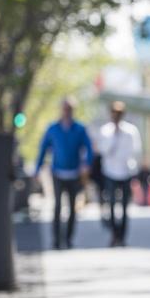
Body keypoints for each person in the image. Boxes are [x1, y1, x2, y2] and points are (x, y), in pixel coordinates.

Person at [35, 97, 93, 250]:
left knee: (73, 208)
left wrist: (86, 164)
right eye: (65, 109)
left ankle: (68, 239)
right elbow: (43, 149)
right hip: (57, 173)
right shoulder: (53, 129)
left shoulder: (80, 129)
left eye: (70, 109)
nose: (67, 112)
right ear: (61, 110)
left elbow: (88, 148)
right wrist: (37, 168)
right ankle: (56, 240)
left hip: (74, 173)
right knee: (57, 206)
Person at [97, 101, 142, 247]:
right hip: (110, 172)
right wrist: (114, 136)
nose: (116, 117)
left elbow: (135, 151)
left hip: (125, 172)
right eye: (114, 114)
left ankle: (122, 236)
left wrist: (134, 171)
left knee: (124, 207)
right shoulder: (106, 131)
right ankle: (113, 234)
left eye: (119, 114)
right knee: (110, 206)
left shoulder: (130, 131)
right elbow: (104, 151)